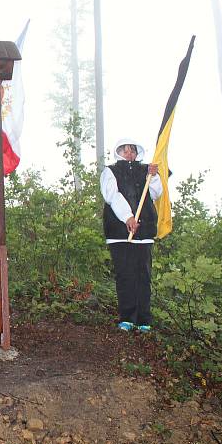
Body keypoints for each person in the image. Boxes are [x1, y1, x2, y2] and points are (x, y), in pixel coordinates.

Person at [100, 138, 161, 333]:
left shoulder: (146, 170)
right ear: (118, 152)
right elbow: (112, 195)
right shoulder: (110, 171)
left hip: (143, 232)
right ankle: (127, 317)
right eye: (125, 150)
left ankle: (144, 319)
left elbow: (156, 193)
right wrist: (128, 217)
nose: (129, 154)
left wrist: (155, 176)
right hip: (119, 232)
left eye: (132, 150)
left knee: (143, 275)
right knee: (125, 275)